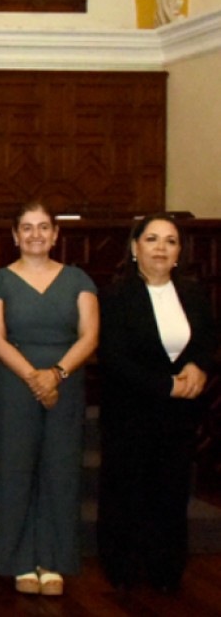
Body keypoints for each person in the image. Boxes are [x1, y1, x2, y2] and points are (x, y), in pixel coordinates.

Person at [0, 201, 99, 596]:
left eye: (43, 227)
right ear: (14, 235)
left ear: (55, 234)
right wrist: (35, 378)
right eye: (27, 228)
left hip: (65, 381)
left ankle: (53, 560)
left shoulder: (79, 279)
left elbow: (89, 337)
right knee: (16, 468)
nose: (35, 234)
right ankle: (19, 561)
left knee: (60, 469)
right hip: (16, 382)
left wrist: (56, 375)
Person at [98, 213, 218, 594]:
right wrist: (165, 384)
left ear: (180, 251)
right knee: (127, 491)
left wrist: (198, 366)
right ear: (135, 248)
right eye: (152, 239)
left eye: (170, 241)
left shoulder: (194, 292)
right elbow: (113, 357)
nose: (161, 248)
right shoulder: (116, 295)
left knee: (171, 491)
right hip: (131, 410)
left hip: (179, 414)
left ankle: (166, 569)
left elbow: (206, 338)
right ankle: (123, 568)